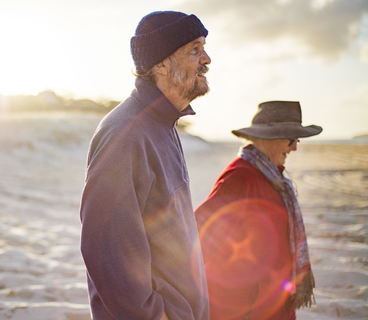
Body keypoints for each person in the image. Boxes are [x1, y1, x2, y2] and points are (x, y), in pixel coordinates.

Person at [79, 11, 211, 320]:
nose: (206, 58)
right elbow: (105, 250)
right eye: (194, 48)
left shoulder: (163, 124)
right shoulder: (125, 133)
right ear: (161, 63)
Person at [195, 101, 321, 319]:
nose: (295, 147)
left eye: (297, 140)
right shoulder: (240, 177)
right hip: (245, 309)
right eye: (291, 139)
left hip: (276, 305)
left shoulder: (275, 178)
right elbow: (198, 235)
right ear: (266, 138)